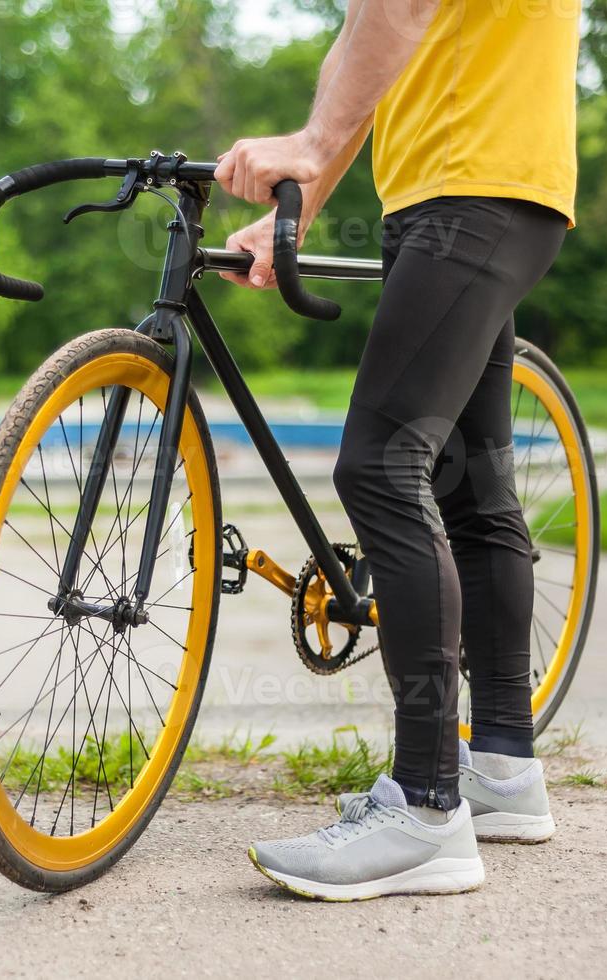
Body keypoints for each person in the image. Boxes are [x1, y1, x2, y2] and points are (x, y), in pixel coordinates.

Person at [213, 0, 578, 901]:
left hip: (471, 191)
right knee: (470, 484)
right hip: (471, 191)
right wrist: (304, 195)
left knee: (381, 467)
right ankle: (499, 769)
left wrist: (303, 145)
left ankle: (423, 810)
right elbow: (371, 37)